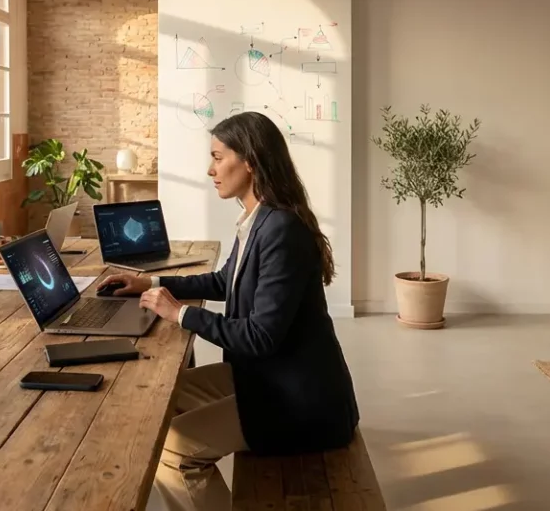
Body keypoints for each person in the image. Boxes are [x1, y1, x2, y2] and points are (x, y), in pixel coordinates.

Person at [99, 111, 359, 511]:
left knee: (175, 451)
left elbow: (260, 336)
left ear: (250, 161)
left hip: (301, 402)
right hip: (267, 379)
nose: (210, 169)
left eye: (218, 157)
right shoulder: (260, 218)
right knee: (161, 397)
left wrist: (180, 314)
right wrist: (151, 283)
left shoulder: (281, 230)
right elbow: (225, 281)